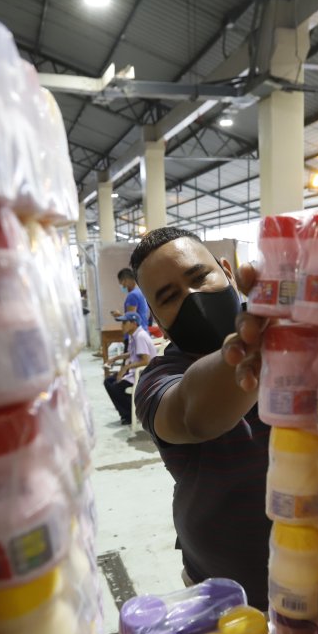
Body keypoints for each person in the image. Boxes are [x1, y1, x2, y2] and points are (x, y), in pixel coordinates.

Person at [130, 226, 270, 609]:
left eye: (198, 277)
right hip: (227, 592)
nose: (192, 296)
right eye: (170, 296)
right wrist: (258, 341)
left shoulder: (298, 335)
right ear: (157, 316)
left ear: (226, 271)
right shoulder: (158, 380)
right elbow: (195, 416)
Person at [102, 311, 157, 426]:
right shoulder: (135, 335)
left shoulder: (140, 337)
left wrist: (125, 368)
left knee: (115, 387)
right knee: (109, 381)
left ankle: (129, 415)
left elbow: (146, 360)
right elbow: (132, 353)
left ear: (133, 323)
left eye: (124, 323)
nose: (122, 326)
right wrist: (115, 358)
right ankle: (127, 413)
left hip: (143, 374)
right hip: (135, 372)